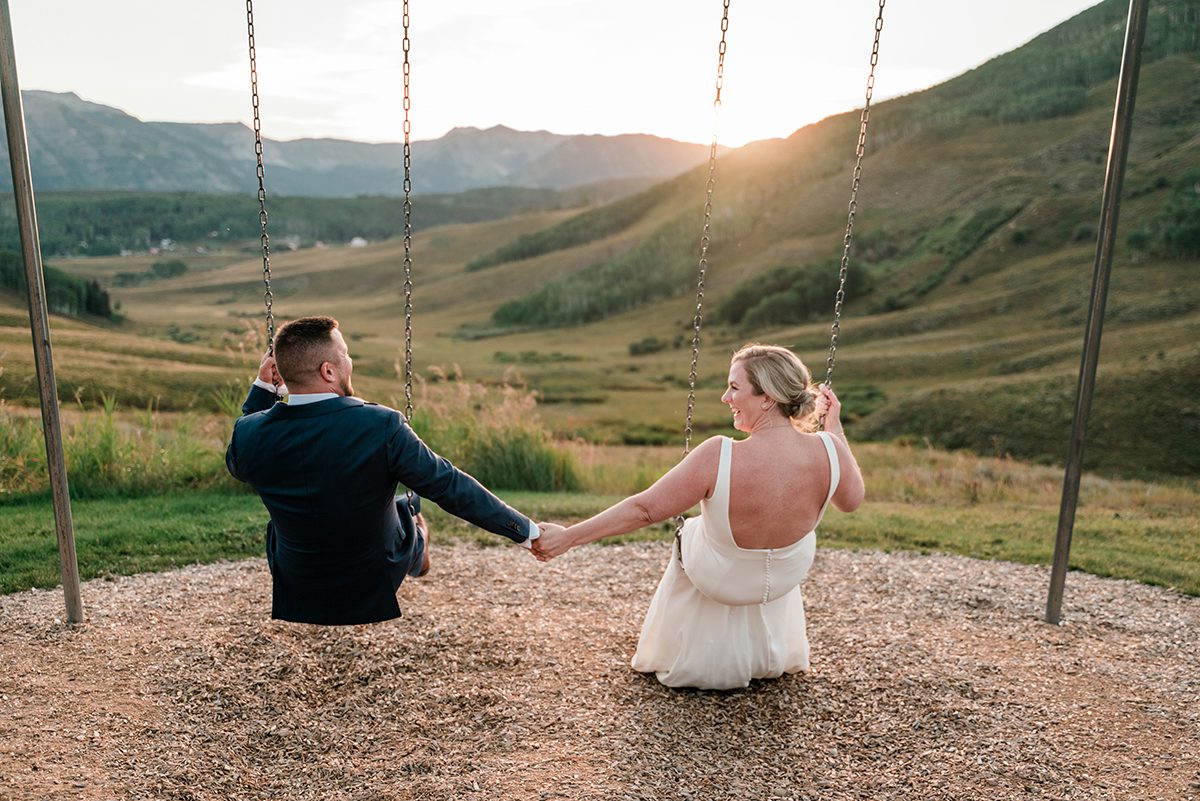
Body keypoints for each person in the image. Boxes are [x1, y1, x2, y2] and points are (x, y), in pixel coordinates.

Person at [534, 343, 864, 690]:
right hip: (786, 574)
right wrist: (834, 428)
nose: (725, 397)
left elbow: (645, 509)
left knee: (692, 528)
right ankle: (768, 651)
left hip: (722, 578)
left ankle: (677, 653)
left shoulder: (720, 454)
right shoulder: (829, 448)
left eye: (734, 388)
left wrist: (568, 536)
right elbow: (851, 502)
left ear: (767, 397)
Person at [226, 315, 541, 626]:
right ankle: (419, 543)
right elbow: (448, 485)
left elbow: (244, 449)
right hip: (374, 575)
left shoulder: (250, 434)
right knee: (410, 508)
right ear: (328, 371)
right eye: (346, 355)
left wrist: (262, 387)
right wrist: (526, 532)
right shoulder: (380, 425)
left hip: (298, 576)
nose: (350, 362)